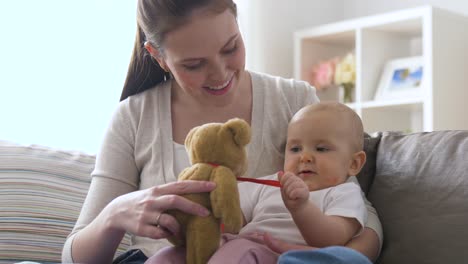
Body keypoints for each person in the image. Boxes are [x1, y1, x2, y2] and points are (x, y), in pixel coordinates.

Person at [61, 1, 382, 263]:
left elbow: (359, 213)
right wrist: (116, 214)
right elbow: (73, 256)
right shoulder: (134, 117)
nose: (220, 74)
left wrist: (327, 258)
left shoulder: (295, 101)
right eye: (194, 64)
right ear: (159, 57)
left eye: (231, 48)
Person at [147, 102, 373, 264]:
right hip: (231, 244)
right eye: (295, 149)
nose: (304, 157)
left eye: (321, 149)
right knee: (170, 256)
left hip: (272, 255)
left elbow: (332, 240)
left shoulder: (344, 193)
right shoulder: (270, 183)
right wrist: (200, 203)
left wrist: (301, 208)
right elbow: (231, 217)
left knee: (239, 250)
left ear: (354, 164)